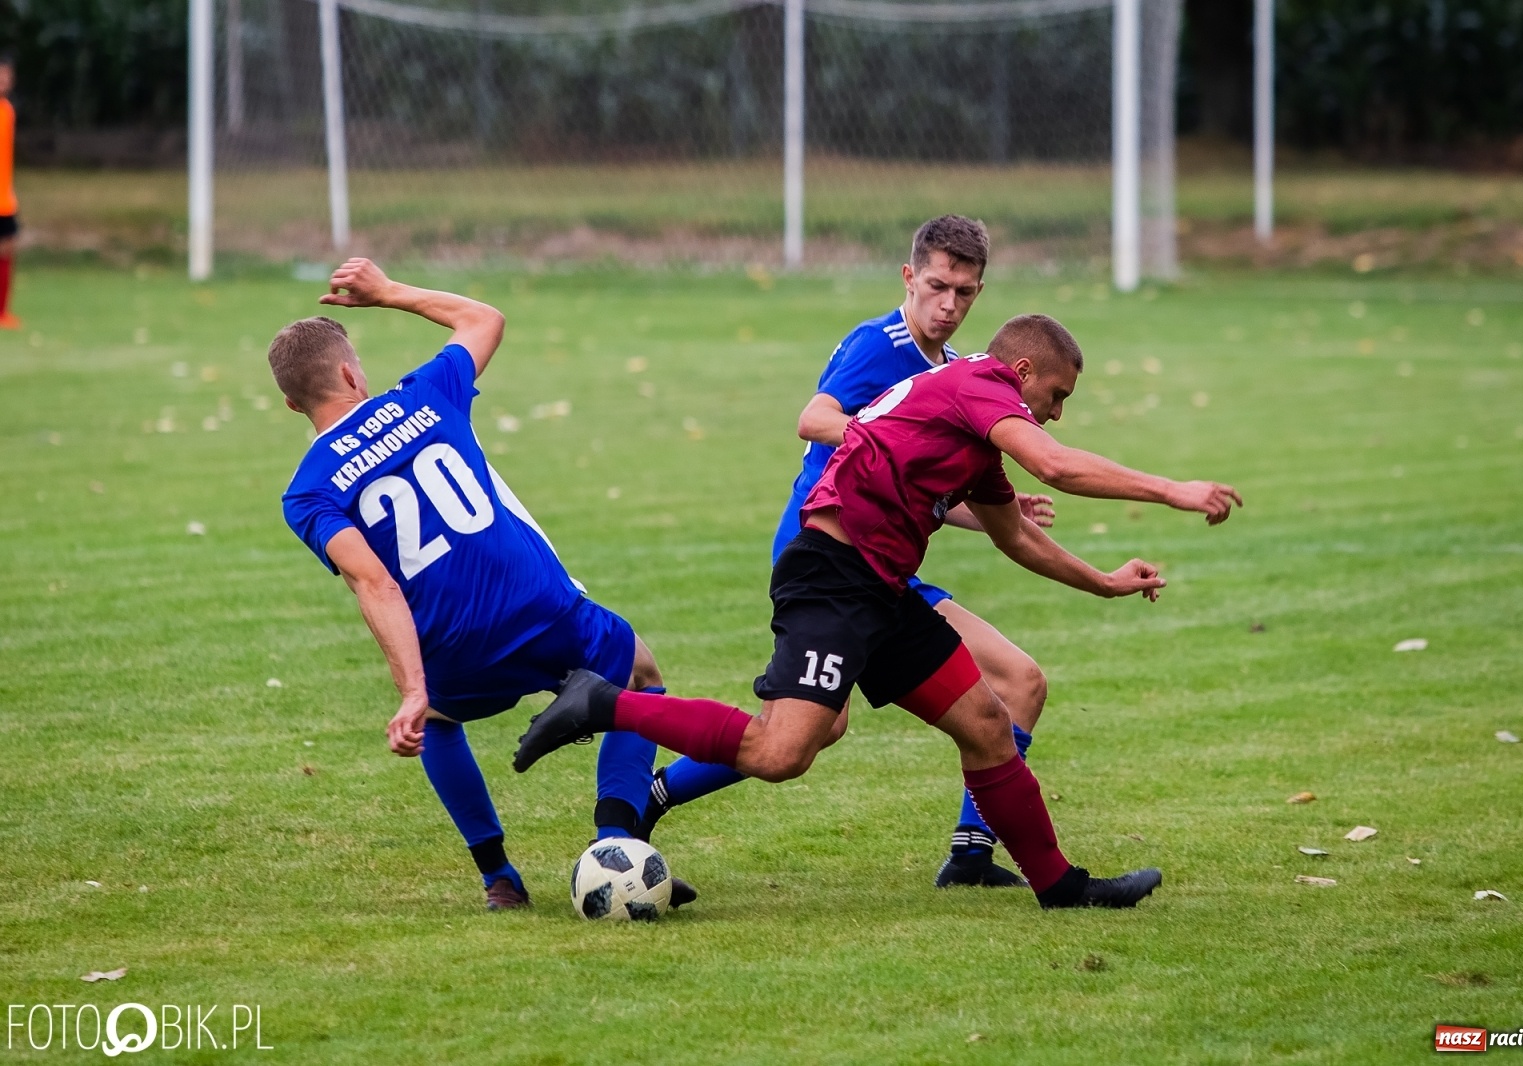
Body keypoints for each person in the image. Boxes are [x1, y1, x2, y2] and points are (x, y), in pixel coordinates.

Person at [515, 314, 1242, 910]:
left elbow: (1016, 537)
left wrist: (1105, 583)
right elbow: (1052, 464)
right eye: (1057, 394)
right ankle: (602, 701)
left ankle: (1060, 886)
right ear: (1020, 373)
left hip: (883, 587)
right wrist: (1174, 489)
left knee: (989, 724)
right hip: (832, 578)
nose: (1054, 411)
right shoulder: (980, 384)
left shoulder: (971, 432)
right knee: (783, 751)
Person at [635, 216, 1066, 890]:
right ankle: (647, 796)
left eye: (966, 293)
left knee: (1016, 684)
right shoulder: (881, 343)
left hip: (887, 573)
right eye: (937, 286)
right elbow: (815, 418)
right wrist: (886, 434)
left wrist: (994, 514)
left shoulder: (955, 371)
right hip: (833, 558)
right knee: (802, 738)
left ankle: (972, 854)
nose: (949, 306)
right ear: (909, 277)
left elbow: (924, 484)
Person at [271, 258, 692, 911]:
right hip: (543, 611)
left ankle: (498, 876)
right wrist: (386, 293)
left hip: (453, 649)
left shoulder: (307, 492)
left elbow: (374, 584)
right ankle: (615, 848)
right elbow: (482, 319)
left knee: (438, 718)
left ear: (293, 404)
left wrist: (413, 692)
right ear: (353, 373)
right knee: (639, 674)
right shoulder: (424, 393)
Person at [0, 55, 21, 330]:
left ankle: (2, 312)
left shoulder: (8, 111)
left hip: (4, 197)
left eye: (6, 75)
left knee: (9, 246)